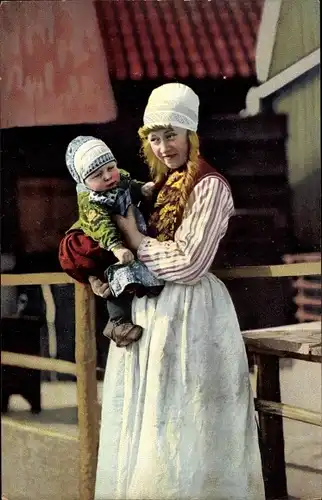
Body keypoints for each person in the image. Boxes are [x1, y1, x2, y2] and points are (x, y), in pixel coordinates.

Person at [59, 83, 265, 499]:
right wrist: (101, 269)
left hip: (193, 316)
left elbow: (190, 261)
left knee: (189, 424)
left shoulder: (209, 186)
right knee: (152, 422)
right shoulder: (155, 185)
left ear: (190, 133)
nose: (163, 146)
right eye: (154, 138)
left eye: (171, 134)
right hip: (151, 315)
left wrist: (135, 241)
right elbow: (95, 231)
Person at [64, 136, 164, 346]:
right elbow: (102, 225)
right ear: (85, 182)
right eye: (98, 175)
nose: (108, 176)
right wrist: (116, 247)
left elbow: (128, 185)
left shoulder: (119, 179)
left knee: (132, 272)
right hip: (104, 243)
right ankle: (118, 323)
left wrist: (141, 189)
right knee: (115, 279)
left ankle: (147, 287)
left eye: (111, 167)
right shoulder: (93, 202)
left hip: (128, 235)